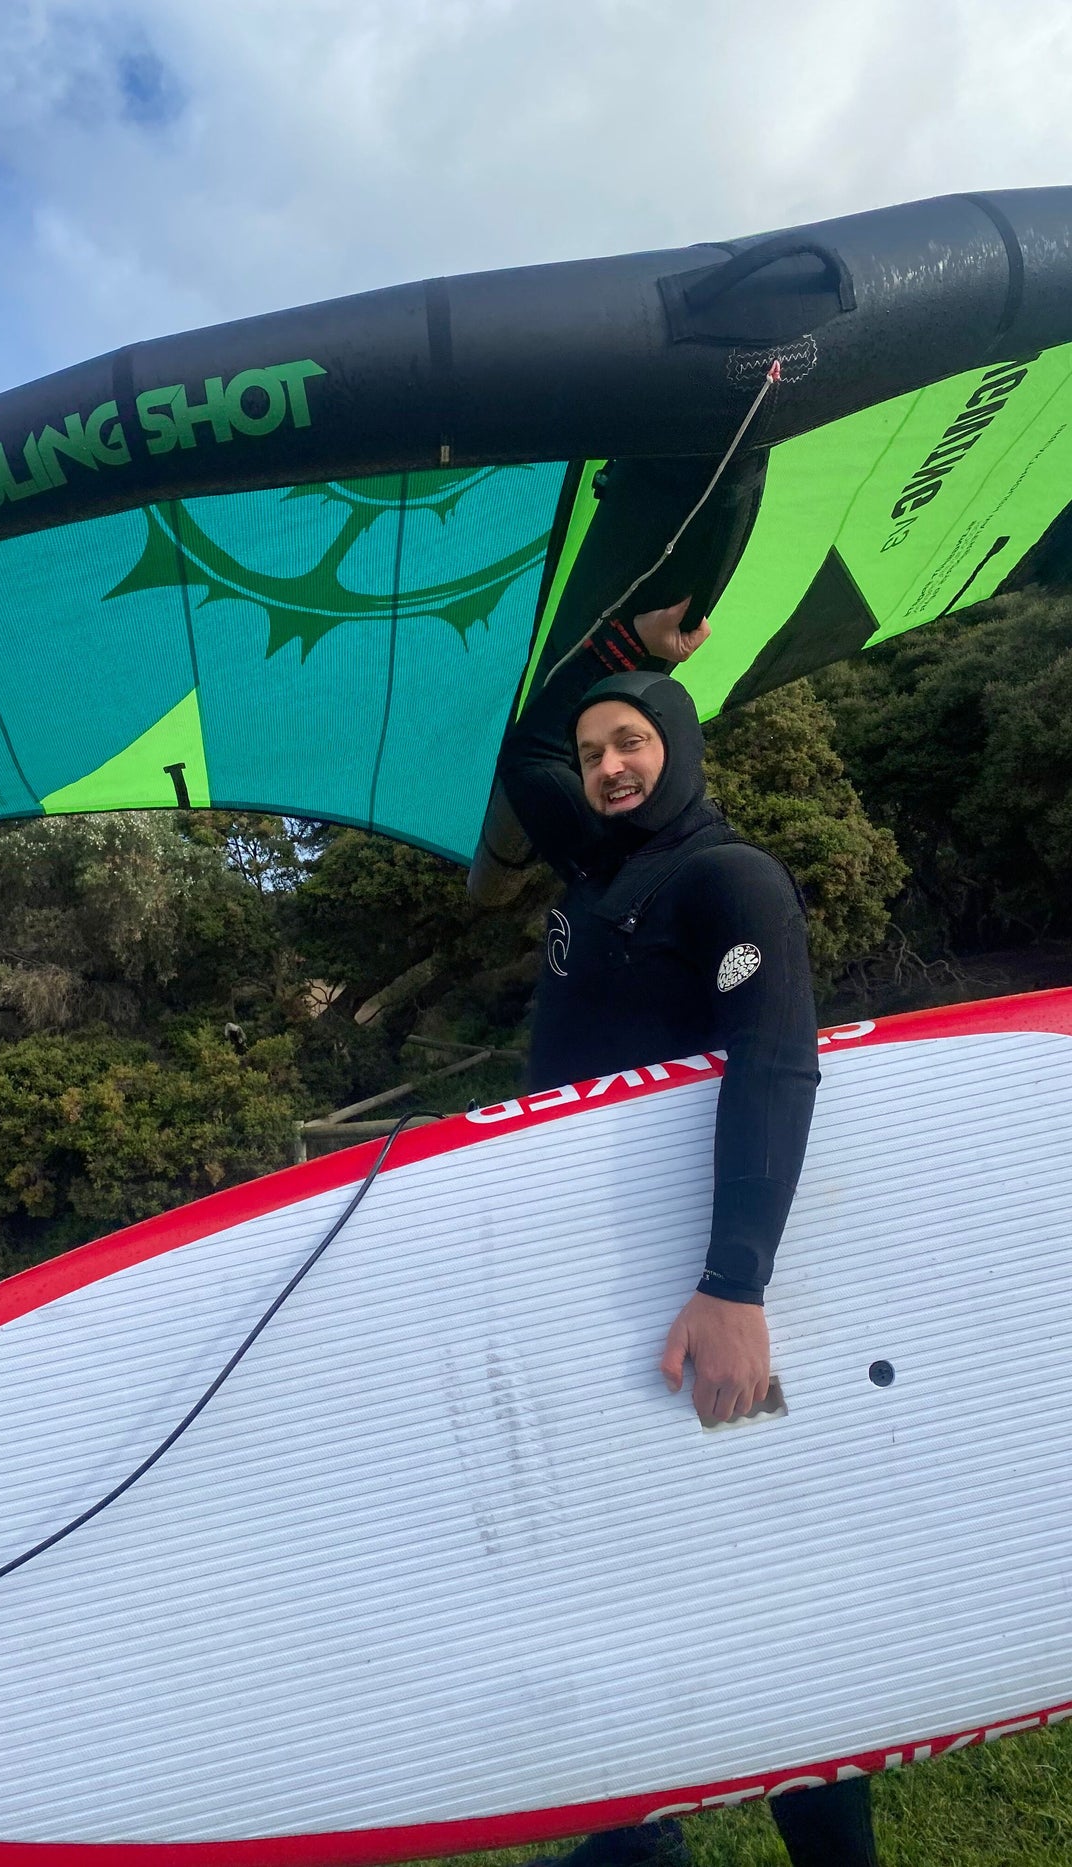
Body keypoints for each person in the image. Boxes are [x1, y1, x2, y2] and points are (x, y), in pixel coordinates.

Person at [499, 599, 879, 1867]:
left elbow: (772, 1068)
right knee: (613, 1546)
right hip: (592, 1275)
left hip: (702, 1272)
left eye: (633, 741)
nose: (608, 764)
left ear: (681, 746)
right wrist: (622, 656)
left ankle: (828, 1837)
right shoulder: (596, 863)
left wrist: (733, 1285)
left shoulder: (729, 878)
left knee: (763, 1557)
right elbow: (517, 741)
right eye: (596, 746)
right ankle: (636, 1825)